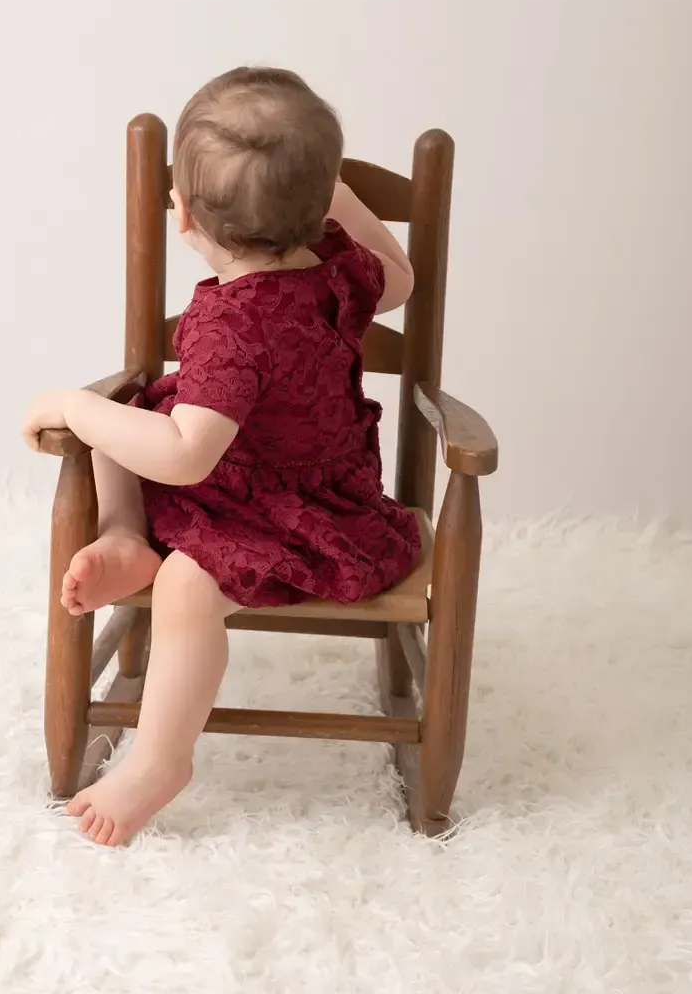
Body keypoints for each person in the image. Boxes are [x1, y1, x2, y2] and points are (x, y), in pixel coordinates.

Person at [23, 67, 422, 846]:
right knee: (134, 411)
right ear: (317, 202)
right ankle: (125, 536)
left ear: (184, 219)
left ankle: (162, 758)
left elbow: (185, 458)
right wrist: (328, 189)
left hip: (285, 518)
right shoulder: (345, 270)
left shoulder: (231, 327)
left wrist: (76, 407)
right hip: (316, 485)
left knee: (184, 577)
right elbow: (402, 273)